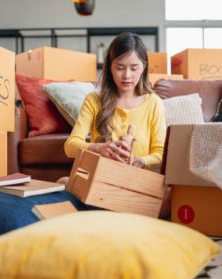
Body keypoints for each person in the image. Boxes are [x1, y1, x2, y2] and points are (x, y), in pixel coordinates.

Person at [60, 32, 166, 183]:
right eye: (120, 67)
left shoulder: (154, 102)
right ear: (110, 67)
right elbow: (70, 146)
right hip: (101, 179)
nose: (127, 76)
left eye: (134, 68)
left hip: (139, 181)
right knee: (63, 182)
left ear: (143, 67)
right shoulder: (94, 100)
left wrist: (140, 161)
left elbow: (161, 153)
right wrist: (100, 148)